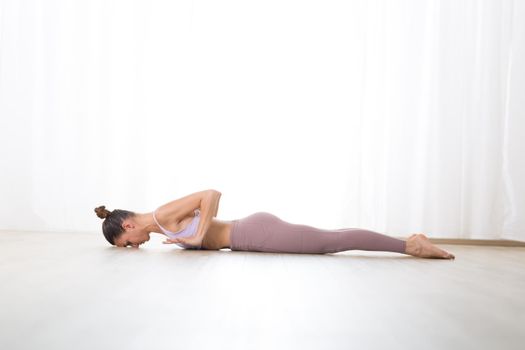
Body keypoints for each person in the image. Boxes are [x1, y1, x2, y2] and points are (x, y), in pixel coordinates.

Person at [94, 189, 455, 259]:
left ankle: (410, 244)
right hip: (249, 237)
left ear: (127, 227)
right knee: (331, 241)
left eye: (128, 244)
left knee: (332, 242)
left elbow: (211, 193)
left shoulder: (161, 214)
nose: (135, 246)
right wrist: (190, 240)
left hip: (254, 232)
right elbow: (198, 224)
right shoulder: (160, 225)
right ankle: (409, 242)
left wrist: (200, 236)